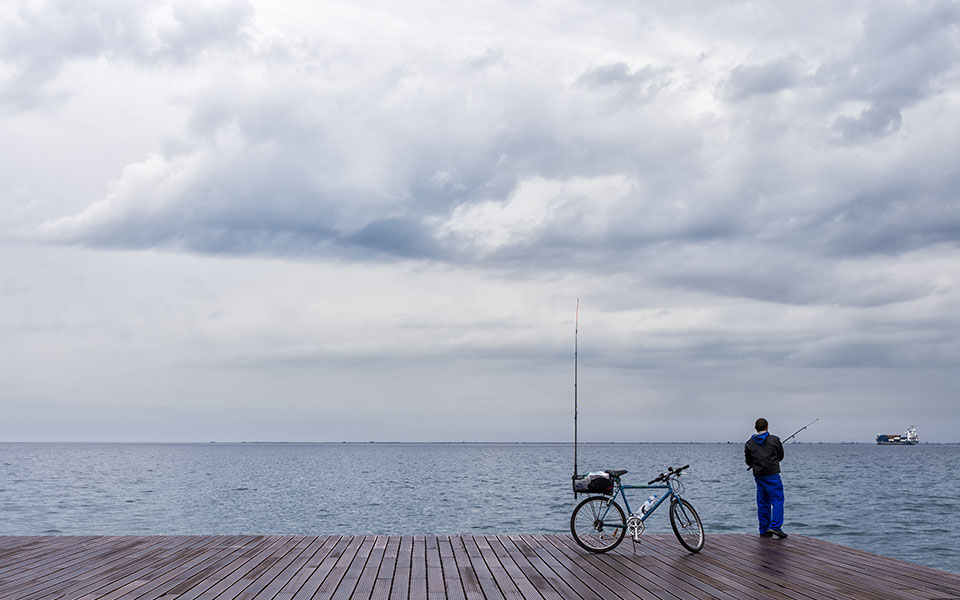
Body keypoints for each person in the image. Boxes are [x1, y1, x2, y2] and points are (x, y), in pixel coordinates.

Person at [744, 417, 787, 538]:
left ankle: (764, 529)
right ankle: (775, 527)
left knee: (763, 502)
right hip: (772, 474)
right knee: (778, 500)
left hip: (759, 475)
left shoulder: (749, 443)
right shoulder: (774, 440)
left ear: (755, 428)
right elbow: (781, 456)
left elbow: (748, 461)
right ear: (767, 427)